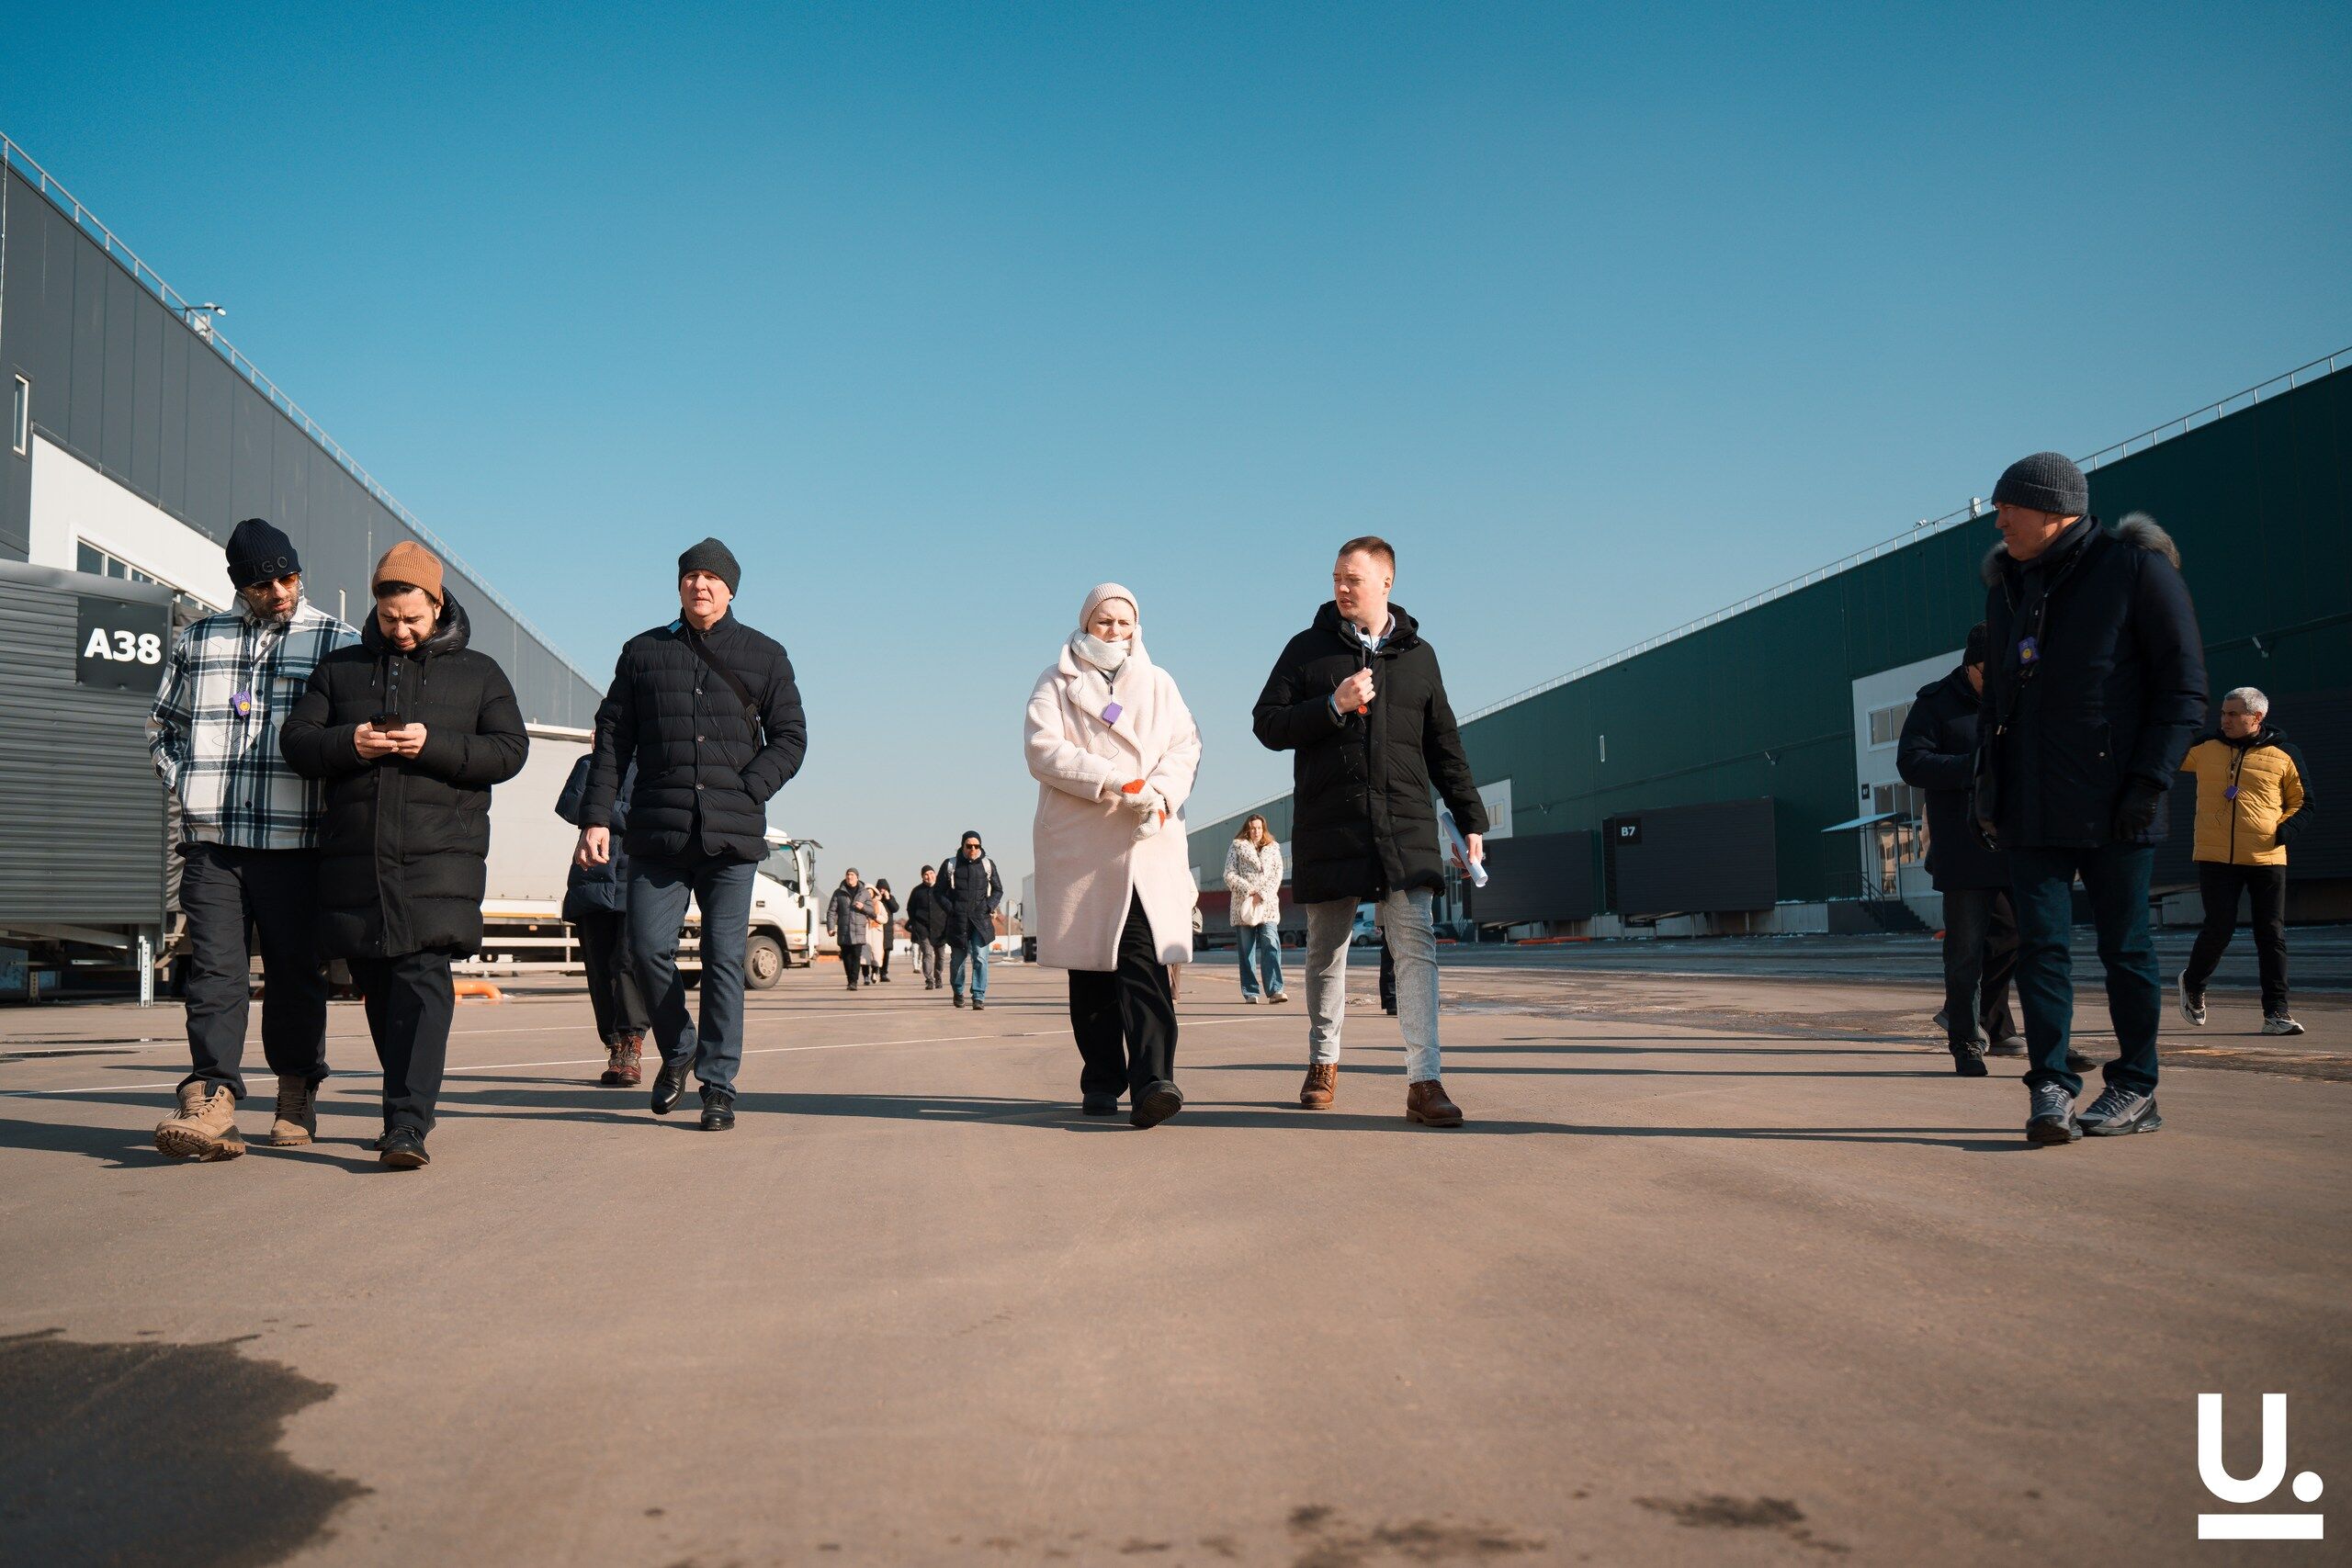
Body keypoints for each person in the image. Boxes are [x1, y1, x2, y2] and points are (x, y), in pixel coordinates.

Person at [1975, 455, 2207, 1145]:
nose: (1999, 521)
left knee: (2125, 948)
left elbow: (2183, 689)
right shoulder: (2009, 586)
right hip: (2031, 805)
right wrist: (1989, 789)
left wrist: (2149, 783)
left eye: (2008, 507)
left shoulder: (2135, 571)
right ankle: (2050, 1085)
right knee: (2040, 949)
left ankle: (2136, 1086)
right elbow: (1997, 704)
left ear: (2054, 508)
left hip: (2116, 802)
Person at [282, 543, 529, 1168]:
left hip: (440, 858)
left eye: (413, 618)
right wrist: (351, 742)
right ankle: (405, 1111)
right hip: (358, 862)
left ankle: (406, 1125)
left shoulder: (480, 673)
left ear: (437, 605)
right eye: (390, 618)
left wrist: (434, 743)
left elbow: (510, 750)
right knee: (381, 990)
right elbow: (298, 741)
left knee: (422, 983)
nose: (401, 630)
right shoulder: (340, 669)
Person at [577, 538, 808, 1134]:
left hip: (732, 837)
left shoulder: (765, 655)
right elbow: (612, 738)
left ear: (731, 589)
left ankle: (718, 1085)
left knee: (723, 958)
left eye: (711, 578)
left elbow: (791, 737)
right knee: (644, 949)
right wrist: (596, 817)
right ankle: (679, 1048)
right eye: (690, 576)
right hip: (658, 831)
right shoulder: (643, 652)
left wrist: (749, 787)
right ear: (679, 585)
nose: (699, 585)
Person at [1252, 536, 1487, 1126]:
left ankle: (1424, 1081)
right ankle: (1323, 1062)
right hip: (1330, 825)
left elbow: (1444, 745)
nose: (1341, 588)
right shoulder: (1306, 649)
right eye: (1336, 577)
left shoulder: (1420, 657)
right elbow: (1267, 724)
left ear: (1386, 582)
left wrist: (1470, 820)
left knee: (1416, 950)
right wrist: (1332, 705)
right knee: (1326, 952)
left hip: (1403, 825)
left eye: (1352, 579)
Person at [148, 519, 358, 1160]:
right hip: (213, 842)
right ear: (240, 584)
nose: (280, 592)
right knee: (215, 971)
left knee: (295, 974)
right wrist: (187, 784)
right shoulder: (199, 640)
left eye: (288, 577)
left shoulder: (338, 642)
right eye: (264, 584)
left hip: (298, 844)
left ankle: (296, 1090)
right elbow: (163, 727)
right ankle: (212, 1097)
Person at [1024, 583, 1202, 1125]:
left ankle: (1154, 1083)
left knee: (1145, 961)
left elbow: (1186, 745)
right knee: (1092, 969)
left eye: (1125, 621)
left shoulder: (1160, 682)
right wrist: (1114, 780)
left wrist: (1159, 793)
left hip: (1145, 836)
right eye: (1105, 621)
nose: (1115, 631)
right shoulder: (1056, 681)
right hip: (1084, 842)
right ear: (1086, 624)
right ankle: (1101, 1079)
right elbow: (1042, 748)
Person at [1898, 622, 2023, 1076]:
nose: (1995, 684)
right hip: (1963, 846)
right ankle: (1966, 1040)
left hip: (2015, 843)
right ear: (1969, 665)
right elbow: (1912, 762)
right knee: (1965, 949)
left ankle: (1986, 1018)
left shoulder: (2019, 697)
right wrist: (1975, 767)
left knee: (2014, 938)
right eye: (1988, 674)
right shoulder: (1936, 703)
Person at [2177, 687, 2313, 1036]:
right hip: (2215, 857)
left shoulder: (2284, 754)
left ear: (2257, 717)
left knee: (2271, 934)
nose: (2225, 720)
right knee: (2219, 929)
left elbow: (2303, 803)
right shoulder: (2206, 748)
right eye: (2223, 713)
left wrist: (2282, 832)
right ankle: (2193, 983)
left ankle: (2276, 1013)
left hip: (2266, 857)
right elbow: (2167, 756)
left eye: (2234, 714)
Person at [555, 752, 650, 1086]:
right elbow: (569, 807)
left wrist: (599, 812)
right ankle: (614, 1047)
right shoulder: (587, 764)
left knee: (627, 964)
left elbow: (647, 816)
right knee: (599, 971)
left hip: (634, 878)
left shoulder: (650, 761)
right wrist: (611, 812)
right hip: (591, 878)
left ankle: (632, 1044)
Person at [1224, 815, 1288, 1003]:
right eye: (1253, 828)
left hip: (1267, 906)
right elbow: (1229, 874)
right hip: (1244, 906)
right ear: (1247, 829)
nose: (1256, 831)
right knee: (1246, 951)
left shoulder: (1273, 848)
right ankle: (1251, 992)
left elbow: (1277, 874)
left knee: (1271, 944)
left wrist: (1262, 894)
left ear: (1263, 829)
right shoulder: (1237, 846)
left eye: (1259, 828)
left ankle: (1275, 990)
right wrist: (1249, 891)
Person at [941, 830, 1003, 1010]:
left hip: (980, 921)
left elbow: (998, 890)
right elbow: (938, 892)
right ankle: (958, 991)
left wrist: (988, 906)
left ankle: (978, 996)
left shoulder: (987, 865)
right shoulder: (950, 865)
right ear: (963, 846)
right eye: (969, 846)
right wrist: (951, 909)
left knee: (980, 959)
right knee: (958, 962)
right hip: (958, 922)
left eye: (977, 846)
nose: (973, 849)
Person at [829, 869, 877, 992]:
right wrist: (831, 927)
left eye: (852, 875)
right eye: (848, 875)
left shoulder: (864, 893)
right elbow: (832, 911)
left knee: (856, 957)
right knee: (846, 958)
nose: (849, 877)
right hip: (844, 930)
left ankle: (853, 982)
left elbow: (872, 912)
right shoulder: (838, 892)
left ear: (857, 877)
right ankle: (850, 979)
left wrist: (863, 907)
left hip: (858, 930)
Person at [904, 865, 953, 989]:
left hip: (941, 929)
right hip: (923, 929)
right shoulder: (917, 891)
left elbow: (950, 907)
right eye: (926, 874)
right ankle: (929, 980)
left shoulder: (943, 889)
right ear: (922, 877)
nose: (929, 876)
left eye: (931, 873)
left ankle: (938, 977)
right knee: (927, 954)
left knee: (940, 956)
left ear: (935, 874)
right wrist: (915, 925)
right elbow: (910, 909)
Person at [873, 878, 900, 982]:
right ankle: (875, 972)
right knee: (876, 952)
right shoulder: (874, 898)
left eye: (884, 888)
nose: (882, 890)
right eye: (880, 888)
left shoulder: (890, 898)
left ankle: (883, 973)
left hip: (887, 930)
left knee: (886, 951)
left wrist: (888, 898)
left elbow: (895, 908)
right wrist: (876, 899)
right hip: (876, 928)